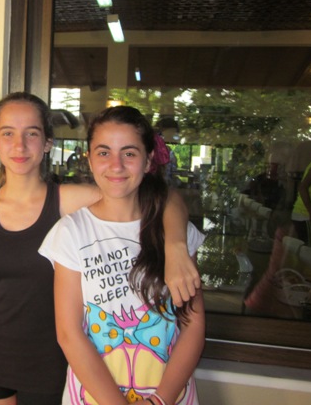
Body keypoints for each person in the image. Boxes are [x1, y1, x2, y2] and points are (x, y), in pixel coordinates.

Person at [0, 93, 200, 405]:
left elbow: (158, 196)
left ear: (48, 142)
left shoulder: (72, 200)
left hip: (49, 364)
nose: (19, 146)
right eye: (7, 133)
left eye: (32, 133)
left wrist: (176, 245)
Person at [39, 105, 205, 405]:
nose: (116, 165)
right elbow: (69, 334)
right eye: (104, 152)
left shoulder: (175, 233)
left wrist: (161, 400)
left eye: (129, 153)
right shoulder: (71, 232)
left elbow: (193, 326)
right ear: (89, 159)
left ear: (148, 160)